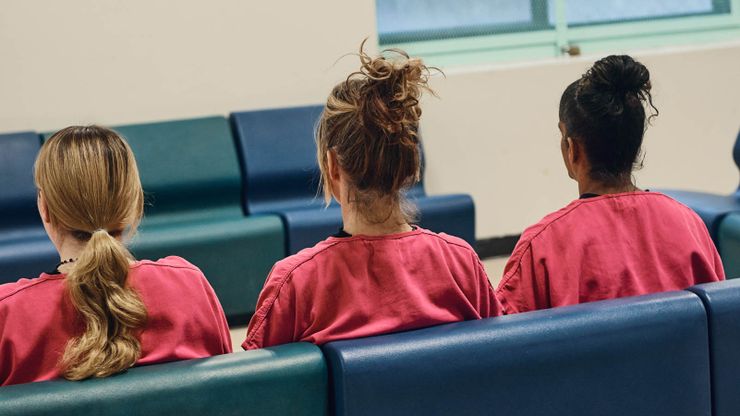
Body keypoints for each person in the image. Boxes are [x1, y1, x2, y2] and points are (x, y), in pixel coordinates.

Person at [243, 43, 501, 350]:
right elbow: (499, 359)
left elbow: (255, 386)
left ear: (333, 166)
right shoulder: (461, 264)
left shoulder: (296, 284)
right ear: (411, 164)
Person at [0, 126, 231, 386]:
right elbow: (226, 390)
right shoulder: (188, 286)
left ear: (45, 209)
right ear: (134, 206)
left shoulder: (7, 315)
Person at [496, 55, 724, 314]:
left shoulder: (541, 247)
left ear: (572, 149)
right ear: (635, 145)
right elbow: (719, 321)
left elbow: (504, 343)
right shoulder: (689, 224)